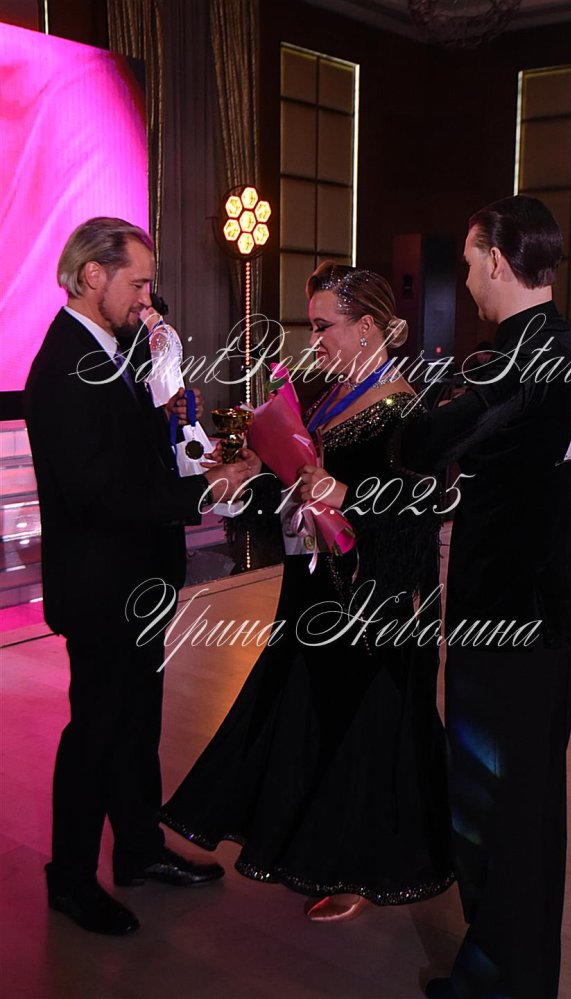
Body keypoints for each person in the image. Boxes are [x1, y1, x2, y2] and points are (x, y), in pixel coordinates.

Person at [160, 262, 455, 921]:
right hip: (316, 587)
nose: (314, 339)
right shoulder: (330, 394)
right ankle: (312, 841)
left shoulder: (405, 407)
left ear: (368, 326)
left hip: (374, 599)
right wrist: (246, 466)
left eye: (325, 326)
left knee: (368, 725)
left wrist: (347, 494)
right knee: (307, 711)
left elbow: (422, 509)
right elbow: (292, 465)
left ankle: (362, 867)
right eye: (312, 325)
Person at [23, 217, 257, 936]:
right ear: (92, 275)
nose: (148, 296)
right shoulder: (66, 364)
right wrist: (203, 490)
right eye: (140, 281)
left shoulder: (111, 350)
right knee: (95, 731)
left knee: (135, 724)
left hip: (134, 580)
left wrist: (182, 436)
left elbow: (134, 456)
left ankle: (138, 848)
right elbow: (99, 491)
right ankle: (69, 879)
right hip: (100, 586)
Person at [413, 196, 571, 999]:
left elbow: (423, 442)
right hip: (559, 606)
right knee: (533, 803)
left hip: (507, 617)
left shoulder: (513, 360)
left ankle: (496, 983)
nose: (465, 278)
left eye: (468, 261)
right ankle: (520, 977)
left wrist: (393, 401)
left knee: (492, 808)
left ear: (496, 259)